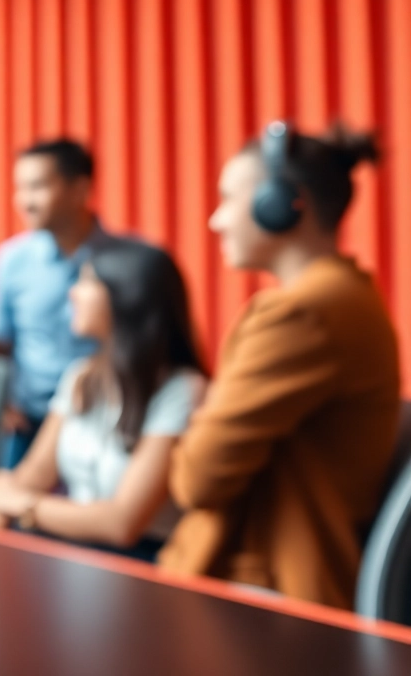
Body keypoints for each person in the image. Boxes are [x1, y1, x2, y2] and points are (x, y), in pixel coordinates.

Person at [159, 123, 400, 609]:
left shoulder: (302, 312)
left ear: (285, 203)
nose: (216, 220)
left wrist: (202, 415)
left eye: (228, 199)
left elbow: (195, 481)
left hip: (261, 591)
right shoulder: (347, 295)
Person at [0, 240, 207, 559]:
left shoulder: (184, 391)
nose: (72, 292)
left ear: (126, 297)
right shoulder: (81, 375)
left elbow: (122, 523)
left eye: (86, 281)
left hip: (141, 565)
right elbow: (36, 472)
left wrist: (23, 505)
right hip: (74, 553)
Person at [0, 139, 112, 469]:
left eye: (37, 187)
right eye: (20, 188)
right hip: (30, 425)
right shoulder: (11, 260)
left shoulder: (123, 262)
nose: (24, 201)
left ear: (80, 189)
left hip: (103, 421)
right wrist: (3, 401)